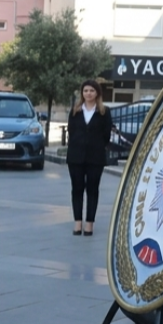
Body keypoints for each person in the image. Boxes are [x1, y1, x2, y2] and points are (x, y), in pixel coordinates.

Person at [66, 79, 113, 237]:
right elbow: (71, 131)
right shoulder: (75, 111)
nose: (88, 93)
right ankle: (77, 222)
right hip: (76, 156)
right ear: (82, 93)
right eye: (86, 90)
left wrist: (97, 145)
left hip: (95, 157)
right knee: (77, 189)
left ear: (97, 93)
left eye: (92, 91)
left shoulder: (104, 112)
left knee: (92, 190)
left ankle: (89, 224)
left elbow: (106, 135)